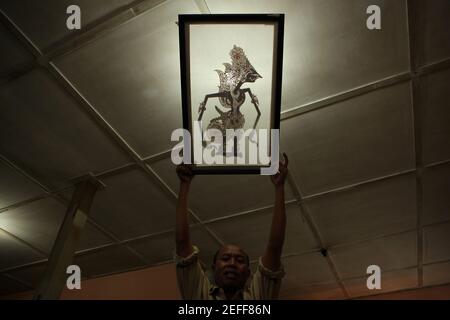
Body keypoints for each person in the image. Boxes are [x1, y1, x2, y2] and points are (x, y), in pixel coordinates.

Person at [175, 153, 289, 300]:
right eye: (226, 258)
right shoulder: (199, 295)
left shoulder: (257, 298)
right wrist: (184, 184)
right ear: (214, 267)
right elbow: (182, 242)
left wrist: (280, 187)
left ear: (248, 272)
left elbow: (275, 248)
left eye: (240, 261)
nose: (232, 264)